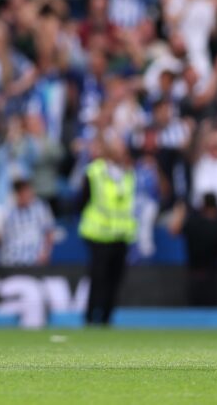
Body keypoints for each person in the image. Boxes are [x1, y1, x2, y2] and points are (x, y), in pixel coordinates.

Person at [79, 137, 137, 325]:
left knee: (115, 279)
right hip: (98, 234)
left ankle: (106, 318)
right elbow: (82, 199)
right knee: (98, 278)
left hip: (121, 235)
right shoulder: (95, 172)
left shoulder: (128, 174)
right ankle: (90, 317)